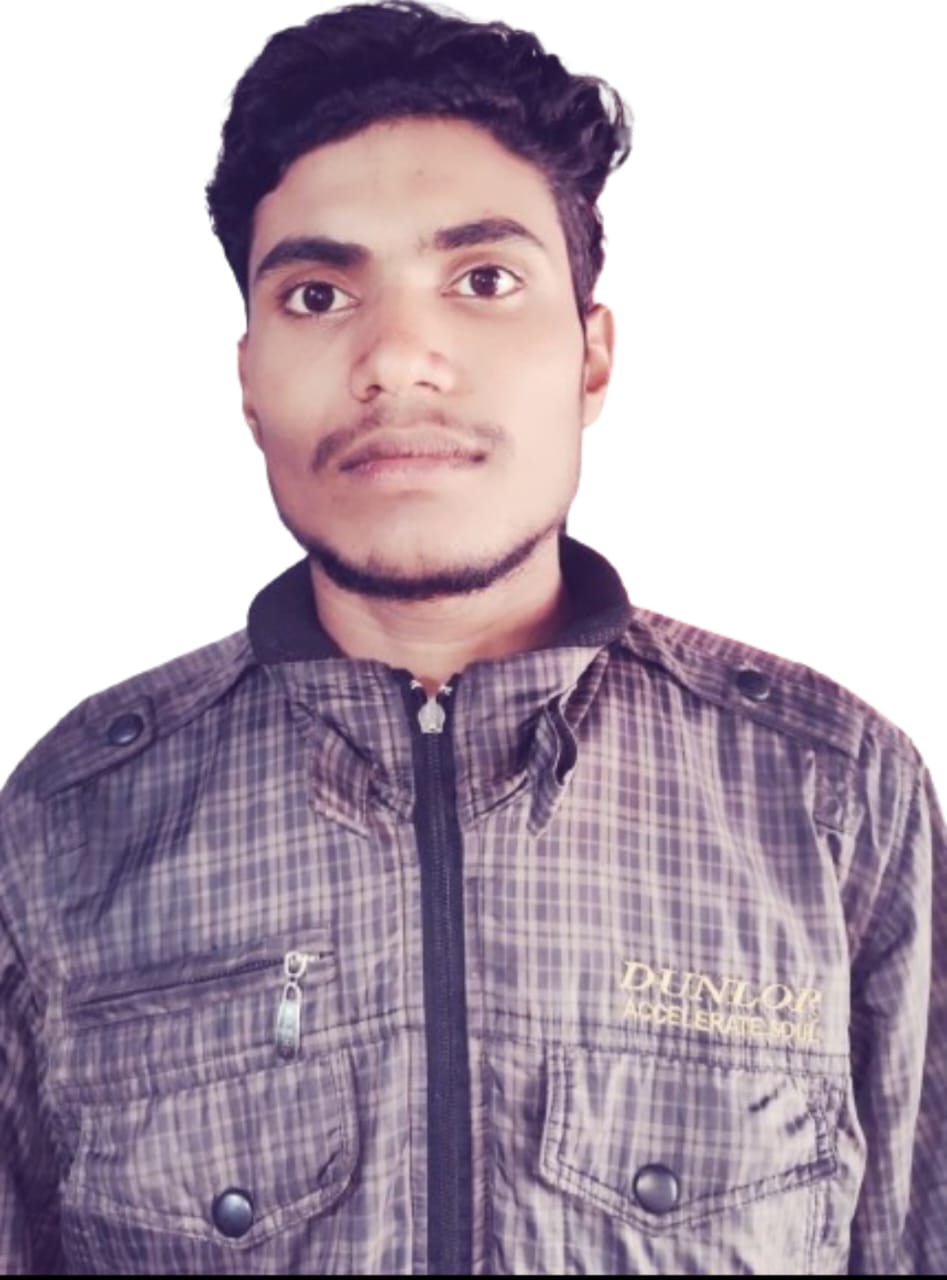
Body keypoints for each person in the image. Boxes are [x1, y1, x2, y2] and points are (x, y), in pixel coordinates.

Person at [0, 0, 943, 1272]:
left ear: (591, 359)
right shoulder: (67, 823)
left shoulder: (831, 794)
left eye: (484, 280)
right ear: (248, 378)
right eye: (319, 293)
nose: (398, 358)